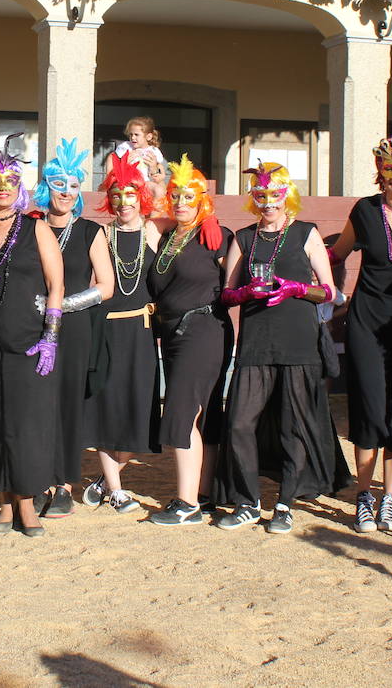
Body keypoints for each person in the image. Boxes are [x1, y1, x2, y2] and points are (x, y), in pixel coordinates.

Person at [215, 163, 344, 534]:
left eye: (275, 195)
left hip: (298, 344)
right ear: (253, 199)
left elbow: (330, 292)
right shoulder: (243, 238)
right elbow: (226, 293)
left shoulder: (306, 233)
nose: (269, 202)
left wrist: (296, 288)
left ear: (287, 195)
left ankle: (285, 502)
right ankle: (248, 502)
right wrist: (242, 293)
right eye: (261, 195)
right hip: (255, 344)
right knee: (239, 423)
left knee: (292, 427)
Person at [0, 139, 65, 536]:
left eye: (9, 180)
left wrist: (51, 337)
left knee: (26, 423)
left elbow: (56, 286)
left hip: (29, 342)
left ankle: (26, 501)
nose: (2, 187)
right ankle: (5, 501)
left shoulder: (37, 228)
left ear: (18, 185)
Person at [328, 136, 392, 534]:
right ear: (379, 171)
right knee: (368, 405)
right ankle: (364, 497)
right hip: (367, 320)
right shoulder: (366, 209)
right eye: (389, 168)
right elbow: (336, 253)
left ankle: (390, 498)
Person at [146, 154, 232, 526]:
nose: (181, 202)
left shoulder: (216, 236)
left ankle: (187, 504)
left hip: (204, 330)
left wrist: (210, 221)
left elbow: (235, 283)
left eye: (189, 197)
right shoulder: (167, 234)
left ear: (203, 200)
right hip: (173, 331)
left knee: (184, 413)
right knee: (202, 416)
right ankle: (204, 494)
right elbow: (147, 219)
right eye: (176, 196)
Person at [32, 139, 114, 518]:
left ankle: (64, 484)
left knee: (66, 406)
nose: (66, 192)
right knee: (37, 404)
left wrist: (63, 305)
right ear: (47, 187)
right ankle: (36, 479)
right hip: (33, 329)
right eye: (58, 184)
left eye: (73, 185)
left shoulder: (89, 232)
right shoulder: (30, 228)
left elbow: (106, 285)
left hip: (75, 331)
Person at [82, 152, 162, 513]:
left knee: (140, 411)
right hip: (108, 333)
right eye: (117, 195)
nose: (123, 202)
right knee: (108, 410)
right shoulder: (102, 234)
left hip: (142, 333)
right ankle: (116, 490)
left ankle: (105, 477)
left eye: (131, 194)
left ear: (141, 196)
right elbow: (89, 283)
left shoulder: (154, 231)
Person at [113, 117, 166, 193]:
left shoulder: (153, 151)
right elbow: (116, 165)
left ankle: (156, 204)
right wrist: (126, 161)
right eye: (131, 134)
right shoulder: (126, 147)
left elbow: (159, 169)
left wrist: (155, 169)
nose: (133, 137)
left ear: (148, 137)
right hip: (129, 182)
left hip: (146, 182)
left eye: (136, 135)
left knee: (158, 190)